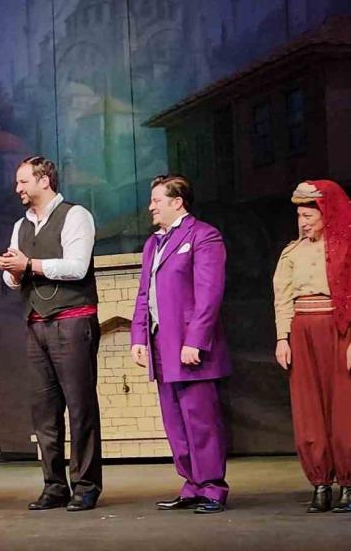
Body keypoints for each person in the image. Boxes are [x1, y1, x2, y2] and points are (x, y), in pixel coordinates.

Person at [0, 155, 102, 512]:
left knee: (80, 407)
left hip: (72, 321)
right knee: (44, 411)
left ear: (44, 180)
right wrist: (12, 271)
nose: (18, 189)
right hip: (36, 323)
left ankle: (86, 485)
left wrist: (29, 264)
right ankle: (54, 485)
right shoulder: (20, 225)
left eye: (23, 181)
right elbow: (13, 281)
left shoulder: (75, 215)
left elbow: (77, 267)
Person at [130, 175, 231, 514]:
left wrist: (196, 340)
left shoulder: (203, 235)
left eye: (157, 200)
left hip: (190, 345)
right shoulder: (153, 244)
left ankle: (212, 487)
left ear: (177, 202)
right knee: (174, 420)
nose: (151, 207)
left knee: (200, 418)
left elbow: (209, 293)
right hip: (161, 343)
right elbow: (144, 294)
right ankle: (191, 484)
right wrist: (139, 336)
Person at [273, 180, 351, 514]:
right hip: (302, 330)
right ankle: (320, 482)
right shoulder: (292, 252)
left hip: (339, 329)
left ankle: (348, 483)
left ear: (326, 214)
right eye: (300, 216)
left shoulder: (345, 248)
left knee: (343, 406)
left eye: (309, 216)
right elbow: (282, 297)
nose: (303, 222)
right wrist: (283, 338)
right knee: (308, 407)